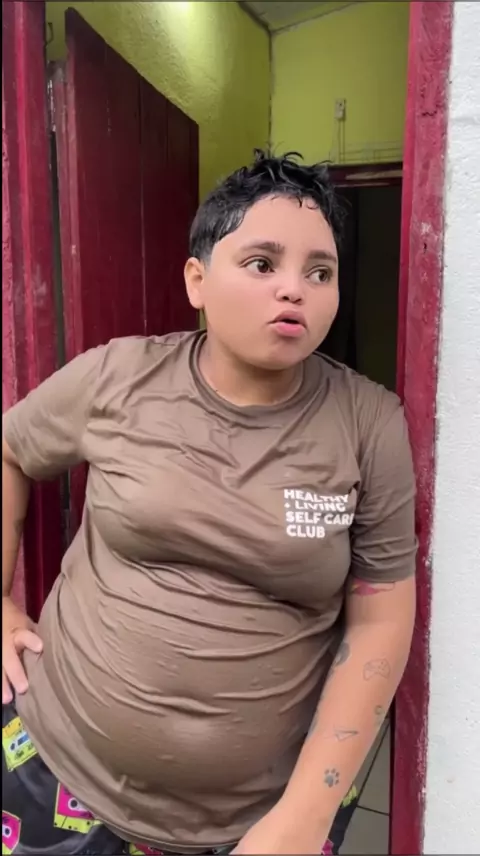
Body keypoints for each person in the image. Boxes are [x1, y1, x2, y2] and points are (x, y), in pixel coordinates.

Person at [2, 151, 416, 856]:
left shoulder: (368, 422)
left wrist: (307, 814)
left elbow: (380, 619)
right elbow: (10, 450)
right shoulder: (117, 377)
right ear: (197, 279)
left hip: (262, 818)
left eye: (320, 272)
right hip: (62, 772)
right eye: (262, 263)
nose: (294, 289)